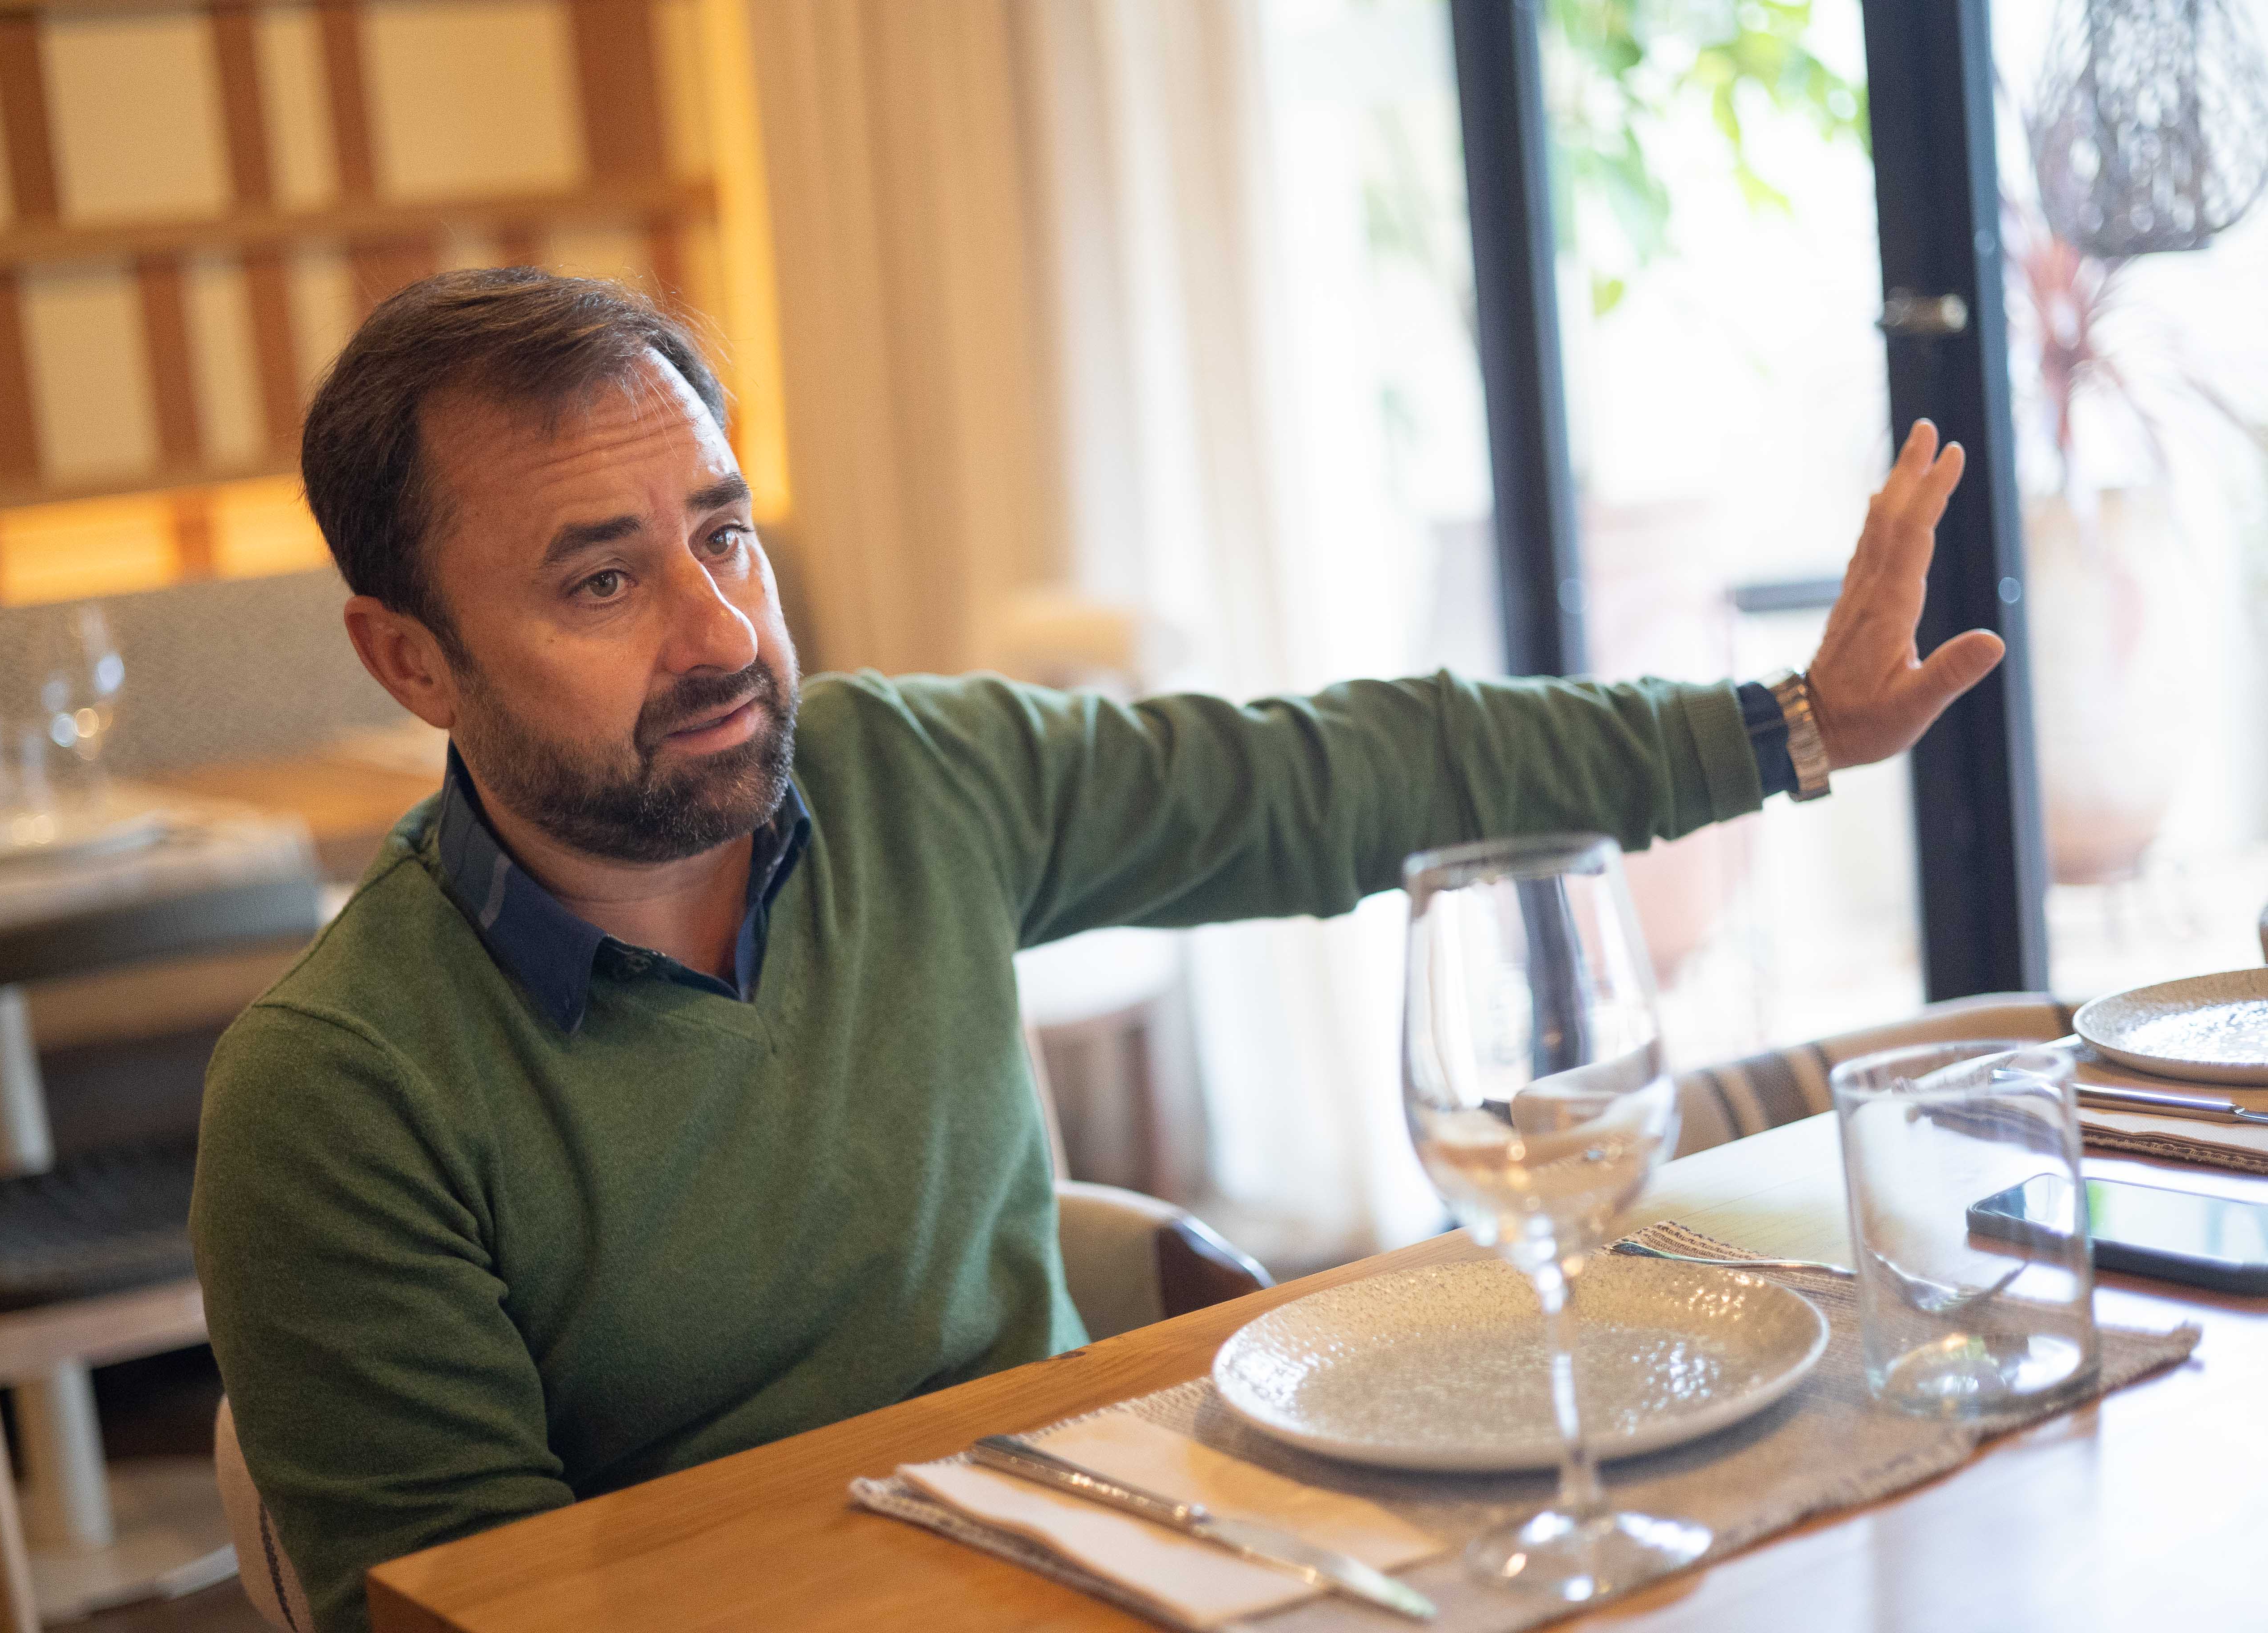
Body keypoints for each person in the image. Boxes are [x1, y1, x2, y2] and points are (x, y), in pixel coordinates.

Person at [189, 268, 2002, 1631]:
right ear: (410, 658)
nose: (720, 632)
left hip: (1102, 1575)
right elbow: (467, 1611)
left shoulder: (908, 779)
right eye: (602, 580)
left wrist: (1787, 728)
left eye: (726, 535)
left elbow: (1342, 774)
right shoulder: (337, 1093)